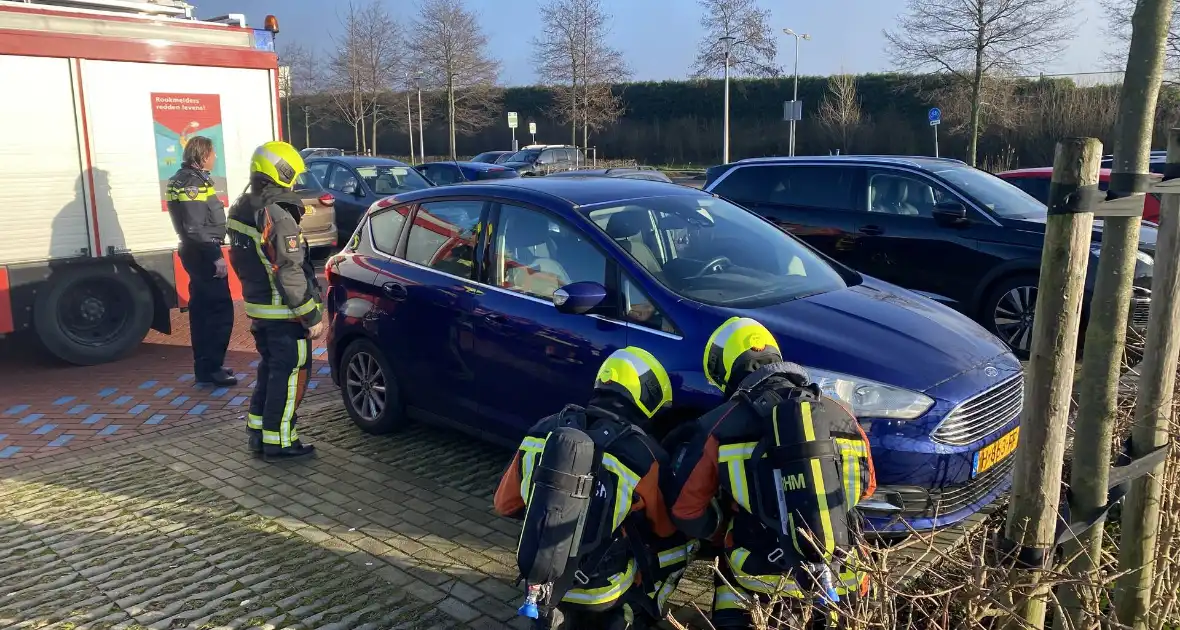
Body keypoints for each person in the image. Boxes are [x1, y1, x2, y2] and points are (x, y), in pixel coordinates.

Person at [668, 317, 876, 629]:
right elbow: (868, 487)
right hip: (842, 574)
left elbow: (686, 510)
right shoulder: (840, 412)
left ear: (724, 370)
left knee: (728, 572)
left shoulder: (719, 425)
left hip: (759, 575)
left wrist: (722, 528)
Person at [494, 347, 695, 630]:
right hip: (605, 590)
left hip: (542, 579)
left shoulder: (542, 431)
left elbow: (505, 504)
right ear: (647, 397)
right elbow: (664, 529)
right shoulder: (643, 455)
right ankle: (639, 612)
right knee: (679, 547)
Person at [226, 141, 324, 461]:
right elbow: (290, 269)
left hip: (260, 308)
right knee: (291, 375)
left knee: (271, 370)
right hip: (284, 312)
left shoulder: (243, 206)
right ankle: (281, 442)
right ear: (280, 172)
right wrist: (311, 316)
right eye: (292, 174)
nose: (295, 181)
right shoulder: (277, 215)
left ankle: (258, 433)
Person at [166, 136, 236, 387]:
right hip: (203, 253)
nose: (215, 157)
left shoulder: (183, 178)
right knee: (217, 312)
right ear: (203, 155)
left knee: (203, 311)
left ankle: (207, 366)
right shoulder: (192, 183)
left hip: (197, 252)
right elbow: (195, 227)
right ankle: (211, 368)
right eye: (213, 153)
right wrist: (215, 257)